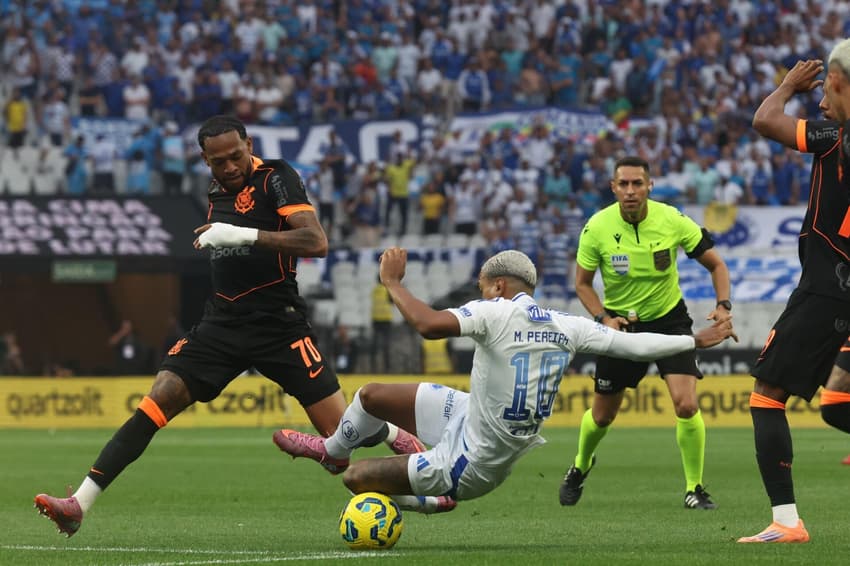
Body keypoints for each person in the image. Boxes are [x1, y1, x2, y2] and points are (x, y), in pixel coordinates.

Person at [33, 115, 424, 538]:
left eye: (237, 156)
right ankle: (78, 504)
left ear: (248, 144)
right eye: (219, 162)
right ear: (205, 161)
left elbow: (316, 242)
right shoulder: (216, 190)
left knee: (339, 438)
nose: (231, 167)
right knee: (157, 399)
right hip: (220, 323)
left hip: (279, 325)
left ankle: (393, 439)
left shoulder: (277, 177)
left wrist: (242, 235)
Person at [273, 249, 735, 512]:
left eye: (481, 284)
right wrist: (694, 340)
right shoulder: (566, 324)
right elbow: (637, 347)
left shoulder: (494, 312)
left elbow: (430, 327)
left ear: (496, 286)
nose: (479, 292)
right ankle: (334, 450)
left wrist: (393, 284)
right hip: (469, 415)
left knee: (359, 481)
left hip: (470, 464)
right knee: (370, 396)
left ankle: (436, 500)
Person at [559, 155, 734, 511]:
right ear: (613, 188)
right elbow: (582, 284)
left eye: (637, 183)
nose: (630, 191)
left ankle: (694, 488)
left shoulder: (671, 219)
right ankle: (579, 466)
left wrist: (723, 304)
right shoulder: (596, 227)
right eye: (623, 184)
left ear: (649, 186)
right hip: (621, 327)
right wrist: (602, 317)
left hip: (669, 321)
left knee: (686, 404)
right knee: (603, 416)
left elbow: (716, 264)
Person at [737, 54, 850, 543]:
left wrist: (787, 85)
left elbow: (764, 119)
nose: (821, 104)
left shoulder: (835, 139)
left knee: (766, 395)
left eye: (828, 93)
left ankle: (786, 523)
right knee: (838, 403)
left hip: (827, 288)